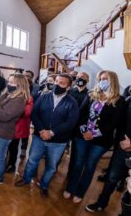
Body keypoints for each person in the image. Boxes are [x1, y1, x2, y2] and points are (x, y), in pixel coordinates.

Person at [64, 70, 125, 204]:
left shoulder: (119, 100)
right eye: (101, 78)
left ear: (113, 81)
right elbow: (81, 114)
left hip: (101, 140)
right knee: (78, 163)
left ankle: (80, 192)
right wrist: (85, 131)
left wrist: (94, 133)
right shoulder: (91, 94)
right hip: (82, 136)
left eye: (106, 78)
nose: (103, 81)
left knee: (90, 165)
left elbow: (114, 123)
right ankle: (71, 187)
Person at [15, 74, 79, 197]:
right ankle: (26, 179)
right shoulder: (44, 96)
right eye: (56, 81)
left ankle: (44, 185)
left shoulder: (72, 103)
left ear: (69, 87)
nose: (57, 84)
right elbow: (35, 113)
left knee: (51, 166)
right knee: (32, 160)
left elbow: (70, 122)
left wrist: (51, 132)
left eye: (62, 83)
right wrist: (41, 130)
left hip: (58, 142)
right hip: (39, 137)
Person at [66, 71, 90, 179]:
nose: (80, 78)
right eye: (79, 77)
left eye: (83, 77)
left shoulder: (90, 94)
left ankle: (71, 175)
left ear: (87, 80)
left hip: (79, 129)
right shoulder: (69, 92)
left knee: (75, 155)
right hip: (67, 127)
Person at [5, 90, 34, 173]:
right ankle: (1, 164)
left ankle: (11, 165)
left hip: (17, 128)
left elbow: (27, 113)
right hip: (6, 126)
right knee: (4, 147)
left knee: (13, 147)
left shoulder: (28, 97)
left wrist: (14, 108)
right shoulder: (10, 93)